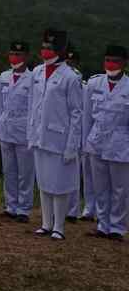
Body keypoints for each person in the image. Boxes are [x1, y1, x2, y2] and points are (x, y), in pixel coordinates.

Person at [28, 29, 83, 241]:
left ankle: (59, 226)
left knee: (59, 183)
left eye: (49, 47)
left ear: (60, 50)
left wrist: (72, 145)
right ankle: (46, 223)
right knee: (43, 181)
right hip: (39, 135)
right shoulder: (37, 72)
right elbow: (32, 105)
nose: (45, 50)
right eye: (43, 46)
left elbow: (76, 113)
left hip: (59, 137)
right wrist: (30, 133)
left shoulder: (70, 76)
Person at [84, 45, 129, 241]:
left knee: (120, 189)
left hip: (121, 143)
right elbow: (87, 116)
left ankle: (117, 227)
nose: (111, 64)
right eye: (108, 60)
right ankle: (102, 225)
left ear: (124, 63)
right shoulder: (94, 83)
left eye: (115, 61)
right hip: (96, 141)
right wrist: (84, 143)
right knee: (100, 187)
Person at [0, 41, 35, 222]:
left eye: (18, 54)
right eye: (12, 54)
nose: (14, 57)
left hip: (23, 130)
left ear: (26, 57)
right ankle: (10, 206)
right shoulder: (4, 76)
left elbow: (34, 107)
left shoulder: (33, 78)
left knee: (25, 172)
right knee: (9, 170)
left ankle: (24, 209)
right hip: (6, 128)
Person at [65, 47, 85, 221]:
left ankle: (72, 210)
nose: (70, 63)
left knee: (73, 173)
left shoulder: (78, 79)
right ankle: (62, 209)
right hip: (63, 130)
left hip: (76, 131)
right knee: (61, 173)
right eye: (68, 61)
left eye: (72, 61)